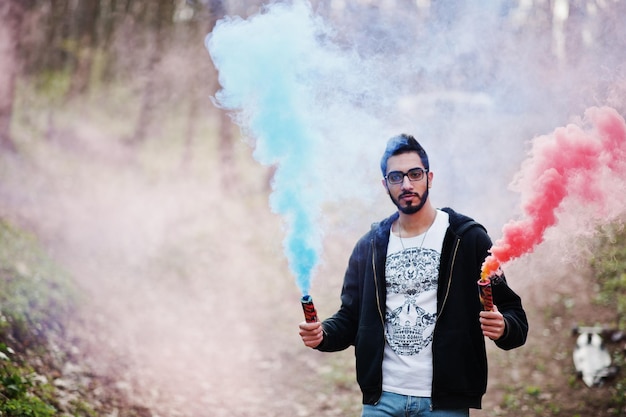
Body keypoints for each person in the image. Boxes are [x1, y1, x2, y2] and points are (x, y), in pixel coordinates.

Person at [299, 134, 528, 416]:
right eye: (396, 177)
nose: (406, 184)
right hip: (381, 402)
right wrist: (323, 334)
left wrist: (504, 327)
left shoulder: (467, 239)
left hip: (444, 404)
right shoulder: (370, 246)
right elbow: (351, 318)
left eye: (414, 174)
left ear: (429, 177)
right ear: (385, 185)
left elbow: (512, 311)